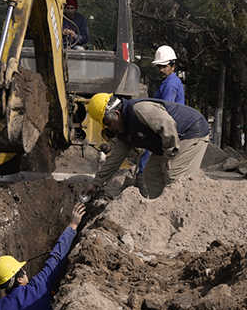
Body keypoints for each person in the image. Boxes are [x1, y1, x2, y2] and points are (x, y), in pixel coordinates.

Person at [83, 93, 210, 199]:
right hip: (170, 140)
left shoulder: (140, 109)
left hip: (190, 132)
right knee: (152, 172)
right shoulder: (123, 132)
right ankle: (159, 211)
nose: (109, 128)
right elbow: (114, 159)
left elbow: (167, 124)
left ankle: (182, 212)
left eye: (108, 123)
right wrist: (96, 183)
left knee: (174, 174)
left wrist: (168, 153)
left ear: (117, 114)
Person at [137, 45, 185, 196]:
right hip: (166, 130)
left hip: (166, 131)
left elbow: (163, 113)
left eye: (164, 67)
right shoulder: (169, 82)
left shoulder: (171, 84)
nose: (160, 70)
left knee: (149, 160)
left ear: (172, 66)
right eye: (159, 67)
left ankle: (145, 190)